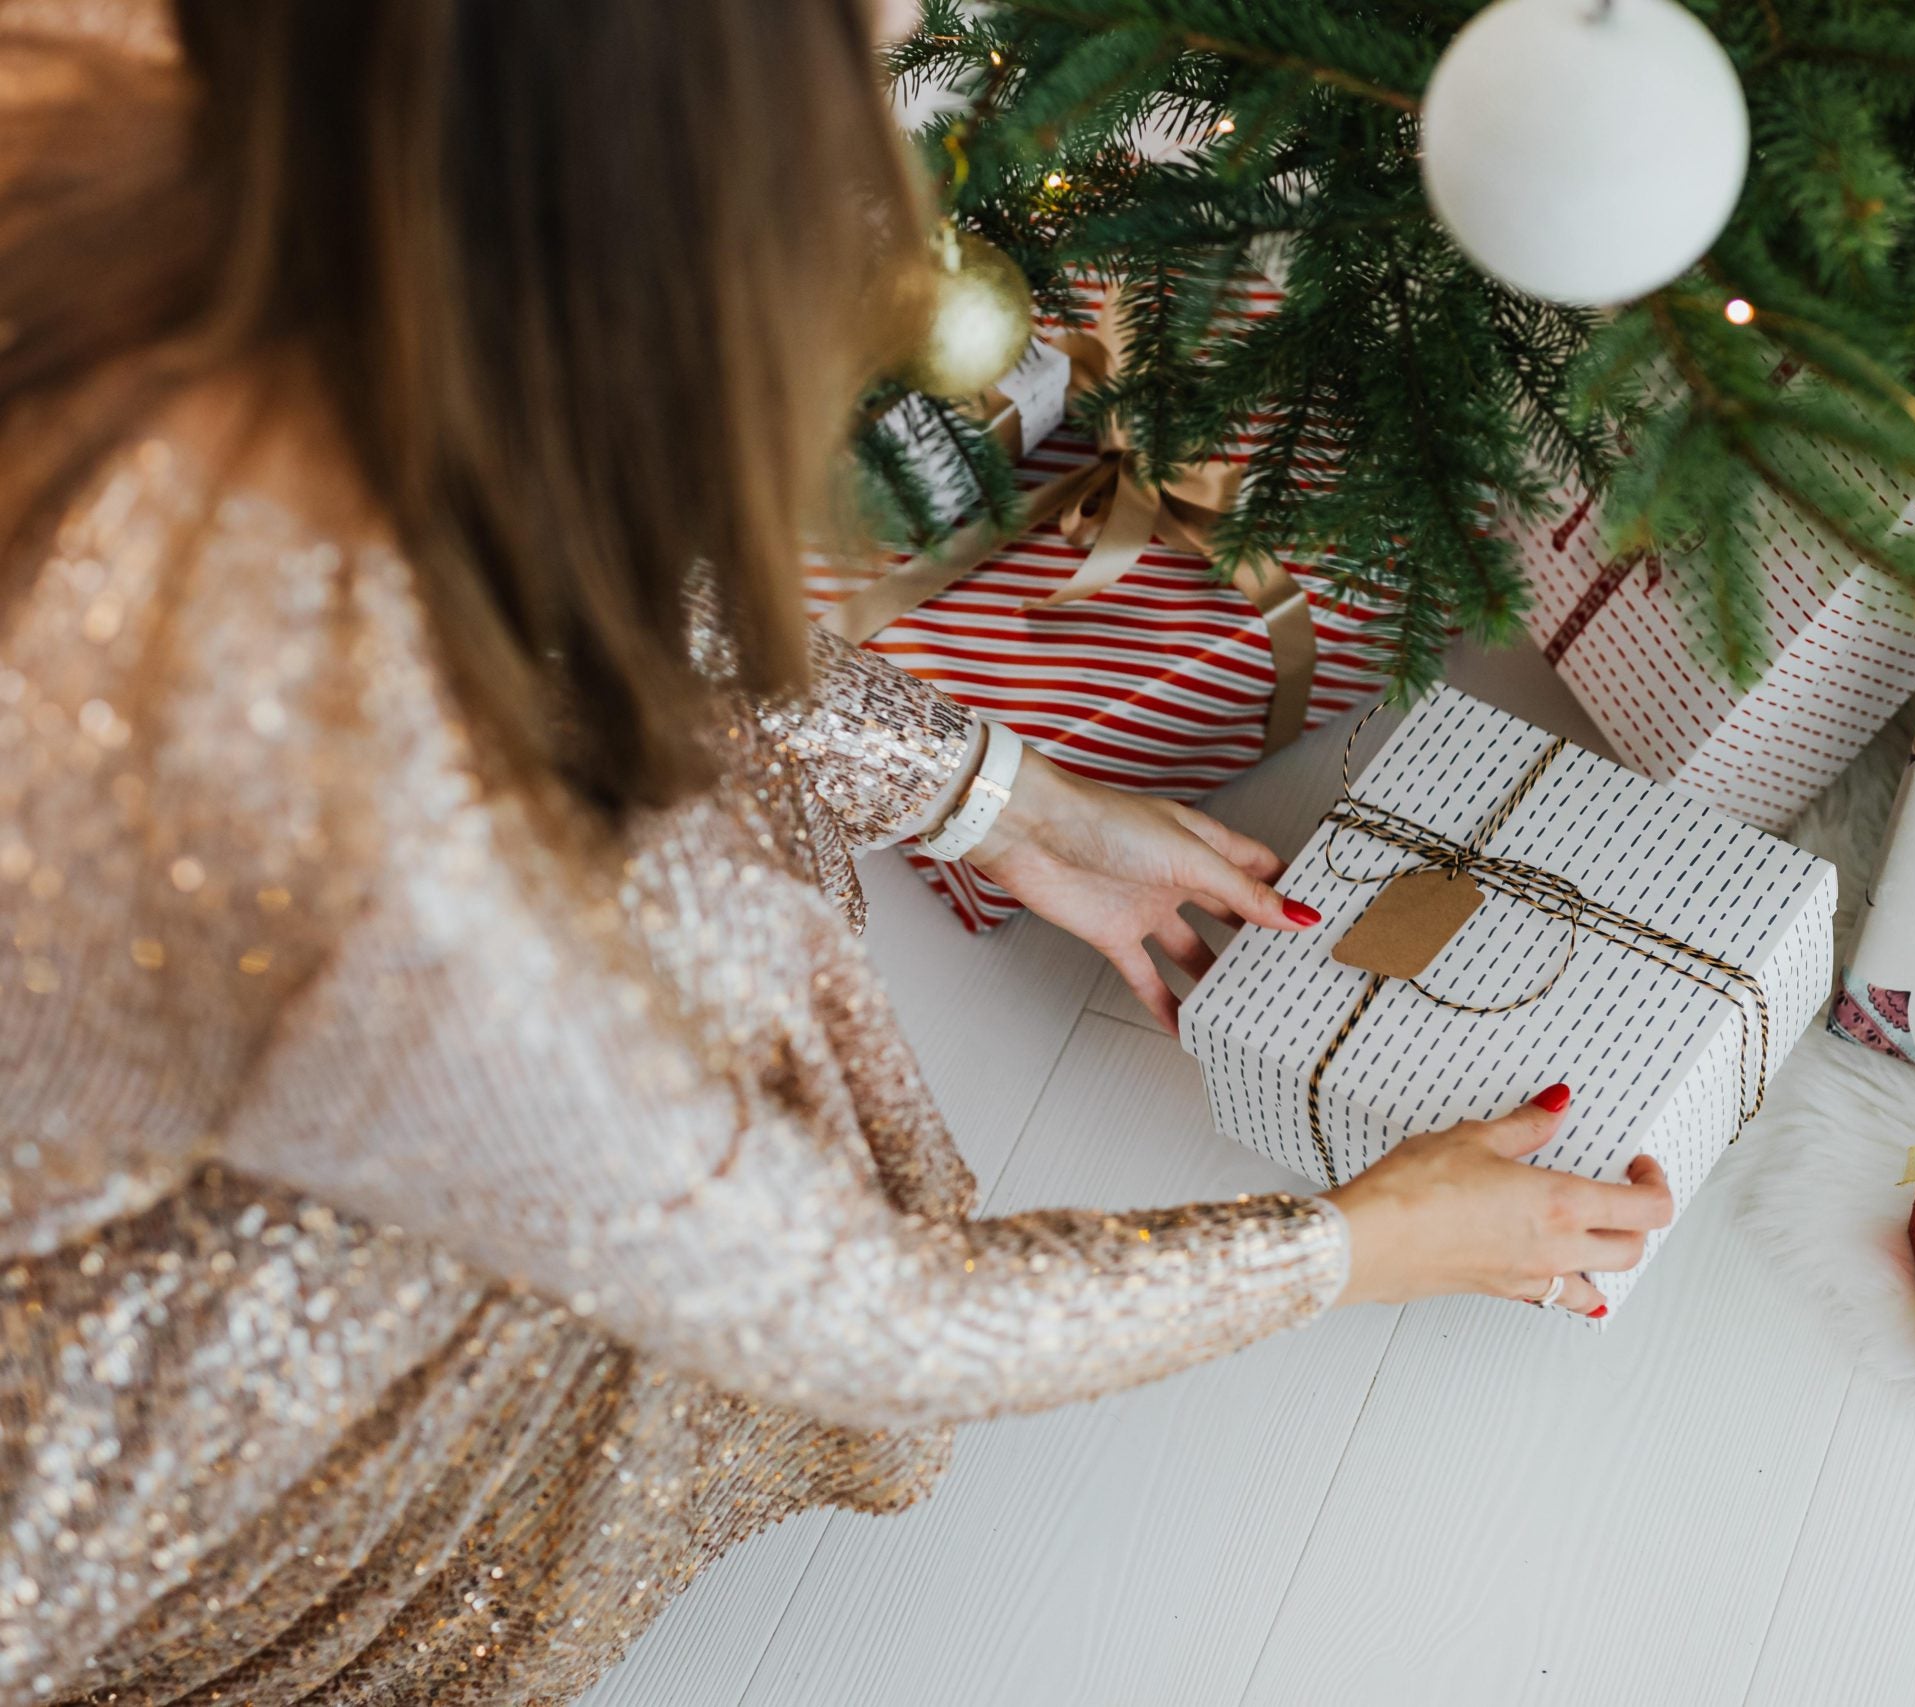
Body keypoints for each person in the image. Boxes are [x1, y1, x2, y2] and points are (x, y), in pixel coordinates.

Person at [0, 3, 1675, 1701]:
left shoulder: (142, 124)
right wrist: (1363, 1244)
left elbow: (604, 608)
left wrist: (997, 799)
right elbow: (861, 1308)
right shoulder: (429, 896)